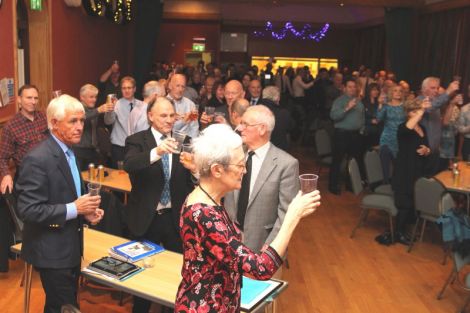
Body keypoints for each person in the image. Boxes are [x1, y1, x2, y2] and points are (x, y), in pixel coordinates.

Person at [175, 124, 321, 312]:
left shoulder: (208, 198)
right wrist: (293, 215)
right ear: (217, 170)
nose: (244, 171)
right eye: (240, 165)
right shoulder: (204, 214)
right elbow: (260, 268)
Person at [15, 94, 103, 313]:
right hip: (51, 251)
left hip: (70, 247)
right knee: (66, 307)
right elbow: (28, 210)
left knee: (59, 306)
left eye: (82, 121)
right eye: (73, 121)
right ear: (54, 123)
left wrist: (85, 214)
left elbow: (69, 196)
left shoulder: (71, 152)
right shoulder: (37, 159)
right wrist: (76, 209)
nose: (80, 127)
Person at [124, 96, 194, 313]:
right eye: (163, 115)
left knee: (178, 273)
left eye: (172, 115)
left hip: (175, 218)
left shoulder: (184, 140)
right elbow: (130, 164)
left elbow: (192, 182)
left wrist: (194, 170)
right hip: (147, 218)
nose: (169, 120)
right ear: (150, 116)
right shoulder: (137, 140)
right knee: (142, 275)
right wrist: (158, 152)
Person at [225, 105, 300, 253]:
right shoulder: (233, 154)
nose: (240, 127)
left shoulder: (286, 164)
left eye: (245, 124)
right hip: (228, 240)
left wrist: (273, 245)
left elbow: (287, 212)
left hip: (261, 245)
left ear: (262, 129)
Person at [0, 85, 48, 272]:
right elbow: (2, 157)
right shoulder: (11, 126)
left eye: (35, 98)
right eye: (28, 98)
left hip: (49, 174)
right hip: (28, 178)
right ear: (19, 100)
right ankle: (35, 258)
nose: (33, 102)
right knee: (35, 217)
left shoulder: (44, 117)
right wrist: (5, 176)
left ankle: (48, 253)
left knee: (50, 215)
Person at [386, 98, 432, 245]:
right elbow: (408, 128)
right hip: (405, 171)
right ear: (407, 113)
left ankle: (404, 231)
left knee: (412, 203)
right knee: (404, 203)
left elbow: (427, 146)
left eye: (417, 110)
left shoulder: (422, 128)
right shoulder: (403, 128)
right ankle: (398, 233)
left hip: (418, 170)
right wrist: (422, 110)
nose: (417, 113)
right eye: (414, 111)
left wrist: (427, 150)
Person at [328, 79, 365, 195]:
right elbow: (333, 116)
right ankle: (333, 186)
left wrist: (362, 129)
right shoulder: (339, 101)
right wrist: (347, 108)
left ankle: (350, 185)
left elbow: (362, 117)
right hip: (342, 134)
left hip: (356, 135)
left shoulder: (359, 102)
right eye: (349, 87)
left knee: (353, 161)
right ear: (344, 88)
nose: (352, 89)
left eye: (354, 87)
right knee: (337, 161)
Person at [104, 76, 144, 168]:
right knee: (119, 175)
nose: (126, 90)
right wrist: (110, 110)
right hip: (119, 146)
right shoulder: (116, 104)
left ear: (134, 89)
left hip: (136, 146)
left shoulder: (141, 105)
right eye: (124, 88)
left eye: (129, 88)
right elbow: (108, 122)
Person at [73, 84, 114, 171]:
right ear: (82, 97)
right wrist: (98, 110)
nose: (94, 100)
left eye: (95, 97)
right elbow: (82, 117)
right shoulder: (76, 109)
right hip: (79, 151)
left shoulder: (93, 110)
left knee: (92, 179)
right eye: (91, 97)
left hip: (93, 150)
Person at [376, 84, 406, 183]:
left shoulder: (405, 106)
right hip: (386, 139)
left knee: (398, 168)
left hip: (400, 140)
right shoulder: (386, 105)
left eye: (400, 91)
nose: (398, 93)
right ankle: (384, 188)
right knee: (385, 168)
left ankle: (396, 190)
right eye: (395, 90)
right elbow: (379, 118)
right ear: (391, 93)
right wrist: (380, 104)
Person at [259, 86, 293, 151]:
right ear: (278, 98)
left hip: (259, 149)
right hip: (279, 150)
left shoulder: (254, 110)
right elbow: (291, 127)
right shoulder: (284, 113)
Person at [167, 74, 199, 139]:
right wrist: (183, 122)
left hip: (185, 142)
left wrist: (191, 145)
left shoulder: (190, 104)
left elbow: (194, 128)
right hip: (166, 141)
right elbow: (165, 128)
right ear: (170, 86)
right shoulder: (163, 104)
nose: (180, 89)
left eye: (183, 86)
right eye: (177, 86)